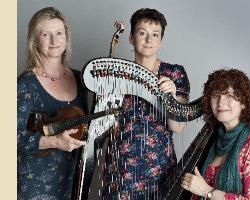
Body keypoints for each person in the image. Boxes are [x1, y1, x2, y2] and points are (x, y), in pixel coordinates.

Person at [101, 8, 191, 199]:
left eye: (155, 35)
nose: (149, 40)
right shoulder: (118, 74)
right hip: (120, 169)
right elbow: (103, 126)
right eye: (142, 33)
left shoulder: (174, 74)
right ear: (132, 38)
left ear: (161, 41)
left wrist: (171, 96)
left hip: (158, 170)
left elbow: (178, 127)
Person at [17, 7, 87, 199]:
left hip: (72, 180)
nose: (54, 41)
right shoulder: (25, 84)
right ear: (35, 41)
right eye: (46, 34)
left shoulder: (80, 78)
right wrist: (54, 141)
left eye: (59, 33)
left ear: (66, 38)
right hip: (35, 184)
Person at [181, 68, 250, 199]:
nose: (221, 103)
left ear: (244, 103)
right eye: (216, 95)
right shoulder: (214, 138)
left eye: (229, 95)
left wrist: (207, 191)